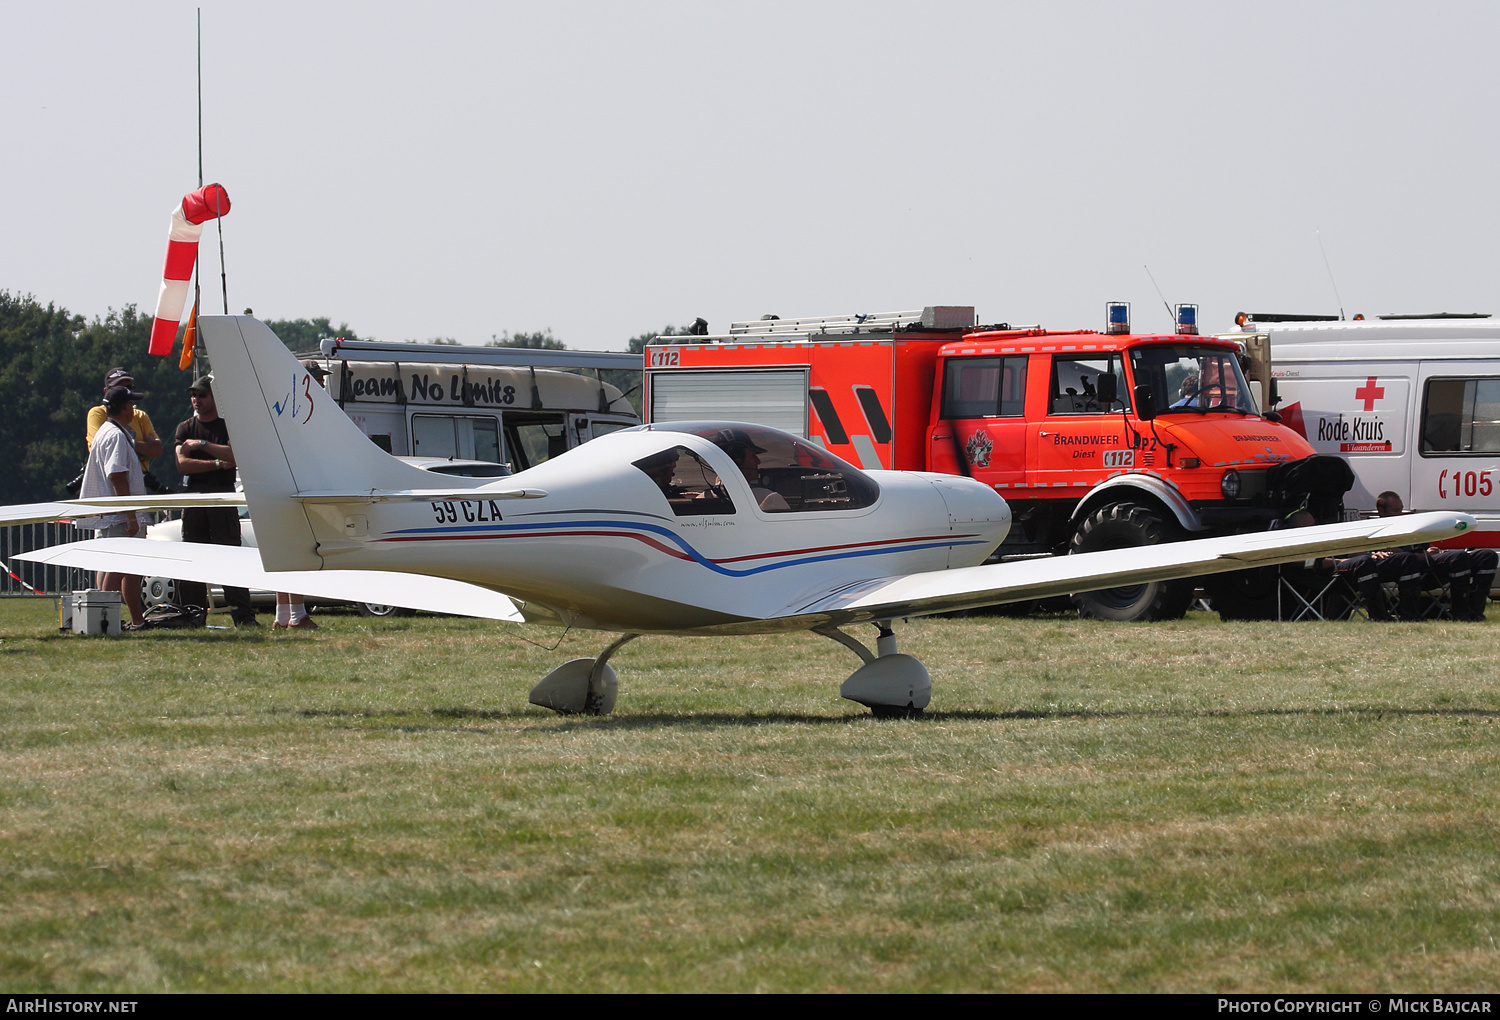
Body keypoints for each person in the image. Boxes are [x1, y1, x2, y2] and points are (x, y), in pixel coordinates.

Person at [174, 375, 257, 626]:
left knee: (230, 557)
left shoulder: (226, 427)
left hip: (223, 497)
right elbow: (182, 464)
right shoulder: (184, 427)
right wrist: (219, 463)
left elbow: (236, 455)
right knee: (193, 557)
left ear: (213, 398)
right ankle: (192, 616)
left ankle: (244, 618)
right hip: (195, 499)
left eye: (202, 395)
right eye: (193, 395)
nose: (196, 399)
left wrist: (202, 444)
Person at [76, 384, 148, 630]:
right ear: (126, 407)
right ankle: (102, 621)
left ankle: (136, 619)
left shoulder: (108, 431)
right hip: (120, 516)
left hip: (113, 514)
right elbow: (117, 475)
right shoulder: (116, 435)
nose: (134, 408)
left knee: (127, 567)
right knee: (118, 567)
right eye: (132, 404)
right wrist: (131, 516)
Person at [273, 363, 331, 631]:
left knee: (285, 551)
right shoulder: (304, 408)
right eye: (317, 379)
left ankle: (283, 614)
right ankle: (297, 615)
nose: (321, 384)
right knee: (297, 551)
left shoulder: (283, 406)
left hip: (282, 484)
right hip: (298, 486)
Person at [86, 367, 163, 477]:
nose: (126, 391)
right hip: (110, 477)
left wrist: (128, 447)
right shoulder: (98, 413)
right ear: (106, 391)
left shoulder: (140, 416)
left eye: (129, 387)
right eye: (119, 387)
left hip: (139, 477)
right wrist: (141, 449)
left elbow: (157, 449)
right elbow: (101, 449)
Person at [717, 430, 791, 511]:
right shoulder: (769, 499)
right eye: (753, 455)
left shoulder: (702, 498)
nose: (758, 461)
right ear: (736, 459)